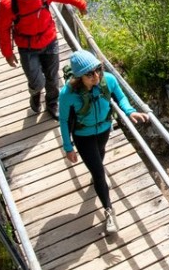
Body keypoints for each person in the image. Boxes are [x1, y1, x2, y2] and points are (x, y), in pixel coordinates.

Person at [59, 50, 149, 235]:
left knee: (100, 155)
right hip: (83, 135)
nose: (96, 76)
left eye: (98, 69)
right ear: (78, 77)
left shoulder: (108, 80)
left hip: (104, 129)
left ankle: (96, 174)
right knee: (100, 173)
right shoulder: (67, 94)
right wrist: (68, 147)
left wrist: (129, 111)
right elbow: (64, 120)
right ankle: (109, 211)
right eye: (89, 74)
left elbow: (121, 96)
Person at [0, 0, 87, 118]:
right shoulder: (9, 4)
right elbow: (3, 30)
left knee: (52, 77)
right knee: (36, 81)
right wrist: (8, 53)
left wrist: (80, 4)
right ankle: (35, 93)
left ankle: (52, 103)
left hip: (49, 40)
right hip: (27, 47)